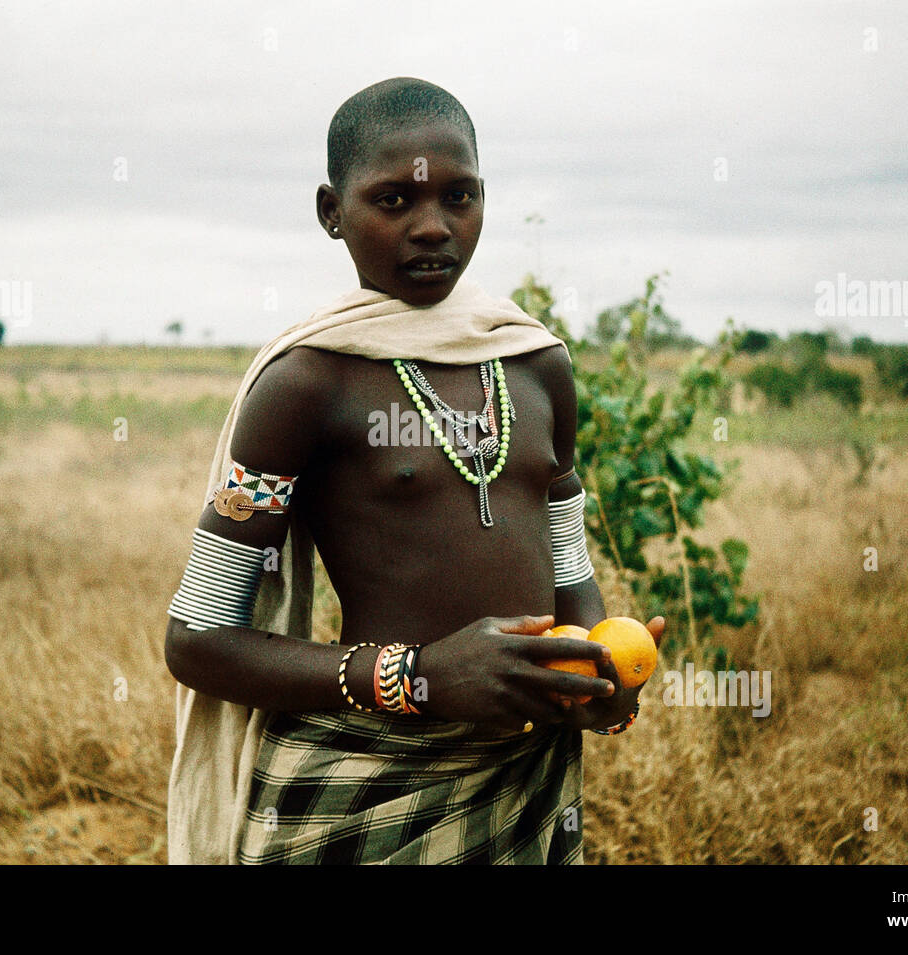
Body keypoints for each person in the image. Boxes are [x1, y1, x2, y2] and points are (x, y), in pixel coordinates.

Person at [164, 76, 664, 864]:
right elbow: (197, 640)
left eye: (458, 197)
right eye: (393, 201)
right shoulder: (305, 384)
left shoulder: (535, 365)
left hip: (522, 782)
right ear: (332, 211)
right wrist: (421, 675)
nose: (433, 227)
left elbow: (568, 560)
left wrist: (595, 671)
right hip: (359, 785)